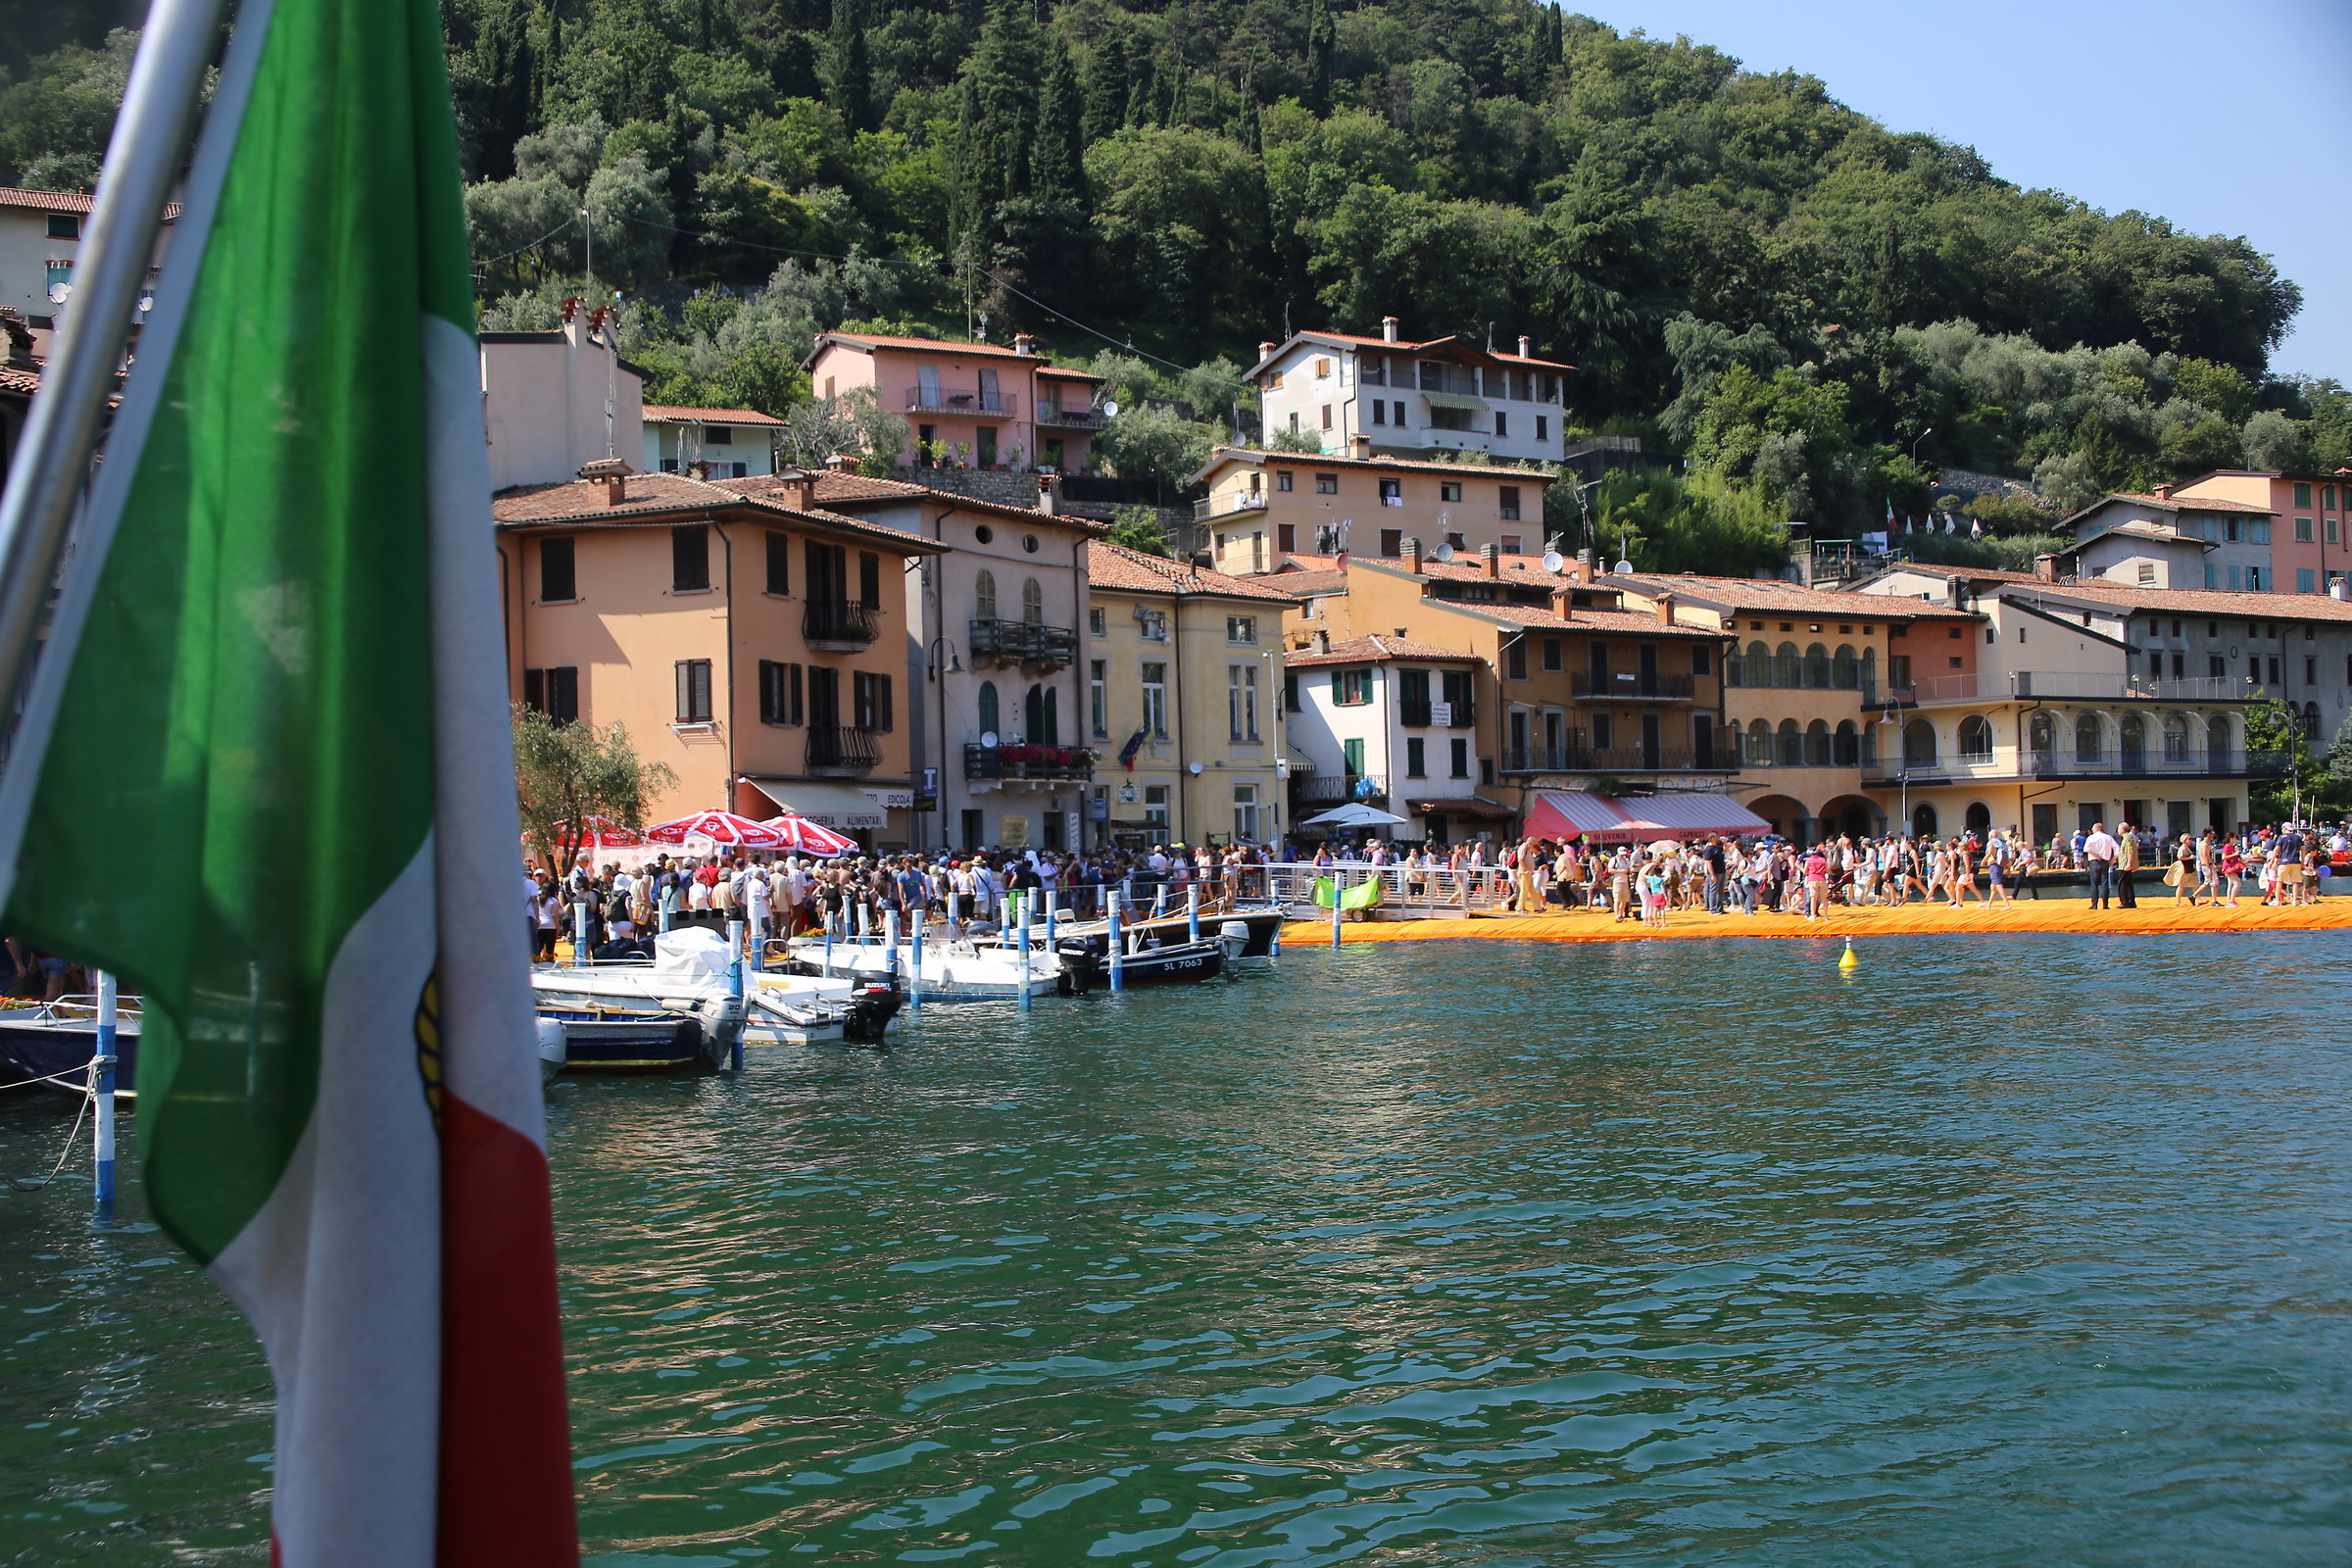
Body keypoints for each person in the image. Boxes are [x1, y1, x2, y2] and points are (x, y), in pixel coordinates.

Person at [2082, 821, 2119, 908]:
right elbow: (2117, 849)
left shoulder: (2091, 838)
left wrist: (2095, 855)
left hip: (2094, 862)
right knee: (2105, 883)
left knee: (2094, 884)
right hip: (2105, 861)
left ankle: (2094, 904)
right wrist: (2113, 860)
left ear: (2095, 829)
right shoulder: (2108, 837)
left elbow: (2086, 849)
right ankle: (2105, 904)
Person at [2115, 823, 2138, 908]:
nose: (2117, 830)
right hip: (2124, 863)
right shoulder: (2127, 837)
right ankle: (2130, 901)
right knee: (2128, 883)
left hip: (2125, 864)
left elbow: (2130, 851)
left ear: (2122, 829)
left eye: (2118, 829)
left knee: (2122, 883)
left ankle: (2125, 902)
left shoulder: (2128, 838)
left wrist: (2129, 864)